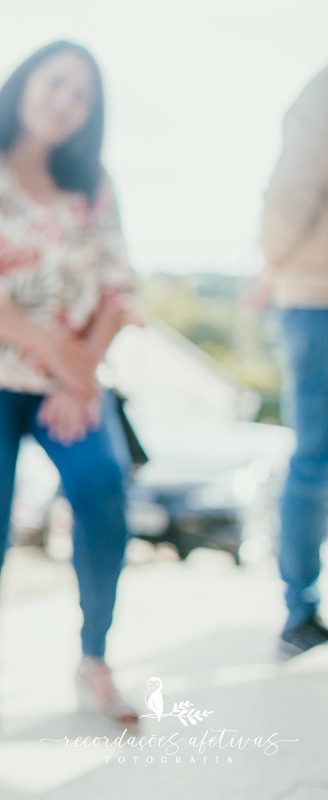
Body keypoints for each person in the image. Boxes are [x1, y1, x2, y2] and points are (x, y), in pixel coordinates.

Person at [0, 40, 142, 738]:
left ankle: (94, 657)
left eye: (82, 94)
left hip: (71, 387)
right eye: (57, 83)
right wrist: (62, 355)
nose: (66, 101)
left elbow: (119, 285)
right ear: (25, 84)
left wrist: (79, 375)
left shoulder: (94, 185)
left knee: (104, 488)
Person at [260, 64, 328, 658]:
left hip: (314, 295)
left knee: (314, 457)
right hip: (317, 299)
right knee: (315, 457)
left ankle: (301, 609)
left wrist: (279, 262)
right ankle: (300, 608)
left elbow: (288, 198)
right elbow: (292, 195)